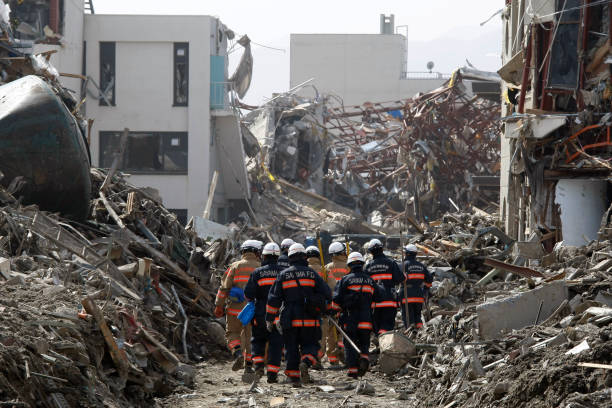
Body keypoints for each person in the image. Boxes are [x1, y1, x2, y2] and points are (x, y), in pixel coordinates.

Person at [266, 243, 331, 386]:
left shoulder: (283, 275)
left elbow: (273, 299)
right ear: (305, 257)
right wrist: (325, 309)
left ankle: (293, 377)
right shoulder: (312, 274)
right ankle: (306, 362)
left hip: (290, 319)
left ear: (290, 257)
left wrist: (269, 319)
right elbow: (327, 293)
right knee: (311, 345)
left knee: (291, 348)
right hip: (310, 319)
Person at [331, 251, 383, 378]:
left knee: (349, 344)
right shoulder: (370, 280)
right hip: (366, 318)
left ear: (349, 265)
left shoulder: (345, 280)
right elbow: (379, 296)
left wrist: (332, 312)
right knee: (364, 343)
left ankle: (353, 370)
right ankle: (364, 358)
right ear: (362, 264)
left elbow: (336, 300)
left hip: (349, 319)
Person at [214, 240, 262, 374]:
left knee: (232, 333)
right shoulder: (261, 268)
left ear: (243, 252)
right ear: (257, 252)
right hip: (253, 310)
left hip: (235, 310)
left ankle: (237, 353)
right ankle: (248, 365)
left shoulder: (234, 266)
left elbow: (224, 288)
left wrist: (219, 305)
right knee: (250, 337)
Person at [244, 242, 284, 383]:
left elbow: (248, 294)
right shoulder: (283, 272)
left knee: (258, 341)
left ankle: (259, 366)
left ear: (264, 256)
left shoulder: (257, 272)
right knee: (276, 345)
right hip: (278, 316)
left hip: (260, 314)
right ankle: (272, 375)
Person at [364, 238, 404, 335]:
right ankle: (386, 345)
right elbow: (400, 279)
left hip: (375, 301)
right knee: (387, 325)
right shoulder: (391, 262)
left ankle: (380, 342)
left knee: (377, 326)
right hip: (390, 299)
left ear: (370, 252)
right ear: (382, 249)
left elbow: (366, 284)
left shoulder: (368, 266)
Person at [320, 241, 350, 365]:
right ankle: (345, 354)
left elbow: (322, 286)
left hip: (332, 304)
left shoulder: (327, 267)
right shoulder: (349, 266)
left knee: (331, 332)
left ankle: (333, 359)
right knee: (346, 330)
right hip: (347, 303)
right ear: (343, 252)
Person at [398, 244, 433, 329]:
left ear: (407, 253)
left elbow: (397, 278)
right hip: (418, 294)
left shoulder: (402, 265)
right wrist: (426, 289)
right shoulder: (421, 266)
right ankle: (420, 333)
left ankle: (411, 334)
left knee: (408, 317)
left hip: (406, 294)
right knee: (418, 317)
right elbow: (429, 278)